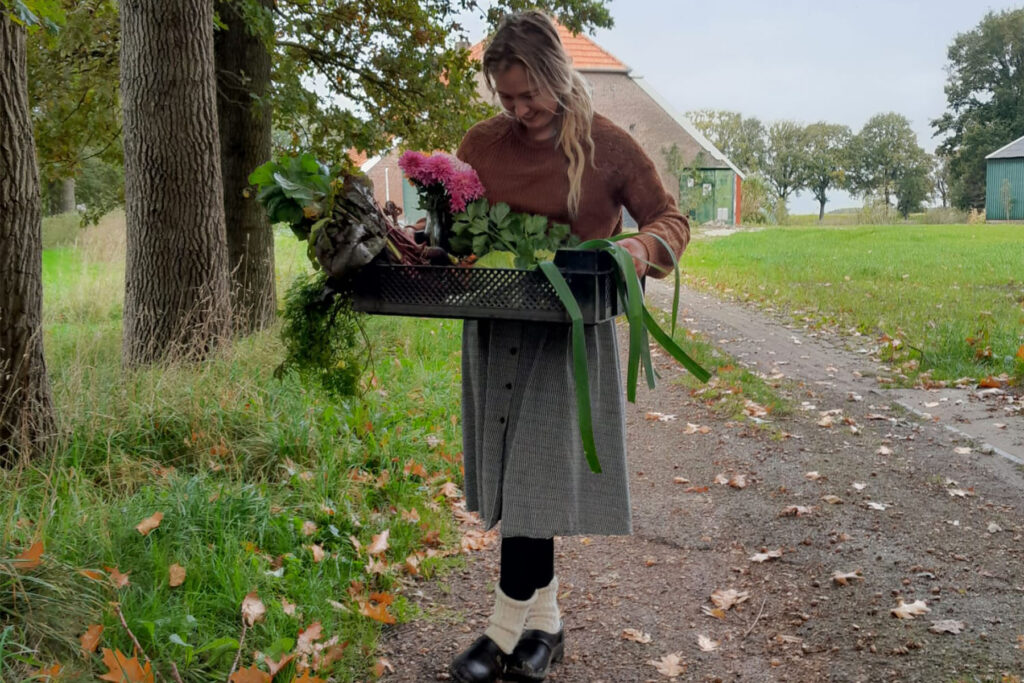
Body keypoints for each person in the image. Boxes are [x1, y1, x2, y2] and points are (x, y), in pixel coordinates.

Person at [448, 10, 690, 683]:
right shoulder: (482, 143)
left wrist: (640, 248)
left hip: (570, 340)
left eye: (530, 93)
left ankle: (501, 632)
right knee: (522, 483)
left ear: (559, 75)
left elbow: (672, 220)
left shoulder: (608, 145)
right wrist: (434, 238)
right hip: (498, 330)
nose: (519, 108)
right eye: (506, 96)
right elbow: (455, 225)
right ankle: (546, 626)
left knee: (533, 479)